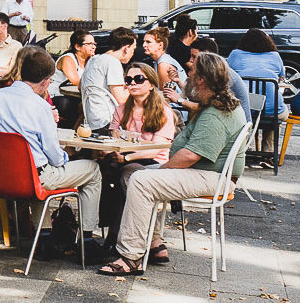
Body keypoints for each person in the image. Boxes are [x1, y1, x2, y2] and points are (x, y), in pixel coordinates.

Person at [100, 52, 246, 276]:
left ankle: (131, 257)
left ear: (201, 80)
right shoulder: (215, 104)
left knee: (140, 180)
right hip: (203, 173)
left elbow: (189, 156)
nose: (187, 76)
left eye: (191, 72)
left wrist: (161, 171)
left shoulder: (216, 114)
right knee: (131, 174)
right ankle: (152, 240)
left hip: (213, 179)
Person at [0, 47, 103, 248]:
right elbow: (53, 156)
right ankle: (86, 238)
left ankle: (44, 237)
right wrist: (67, 157)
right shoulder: (39, 105)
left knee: (38, 166)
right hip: (30, 179)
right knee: (91, 170)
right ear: (45, 81)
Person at [97, 62, 178, 240]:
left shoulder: (163, 111)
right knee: (96, 171)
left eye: (138, 79)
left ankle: (138, 237)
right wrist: (107, 152)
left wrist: (125, 159)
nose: (132, 83)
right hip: (124, 158)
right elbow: (113, 139)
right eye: (128, 80)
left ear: (151, 84)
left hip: (155, 163)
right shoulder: (121, 109)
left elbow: (155, 151)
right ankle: (103, 231)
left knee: (128, 174)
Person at [167, 37, 249, 116]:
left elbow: (207, 108)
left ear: (206, 56)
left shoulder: (222, 74)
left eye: (194, 56)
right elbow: (197, 97)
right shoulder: (215, 71)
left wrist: (180, 100)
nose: (191, 60)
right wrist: (178, 81)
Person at [81, 27, 135, 133]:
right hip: (107, 120)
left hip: (90, 118)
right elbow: (122, 99)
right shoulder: (113, 62)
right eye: (133, 49)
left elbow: (80, 87)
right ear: (126, 48)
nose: (133, 53)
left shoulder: (93, 59)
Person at [226, 28, 287, 118]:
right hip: (271, 110)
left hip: (243, 108)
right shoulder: (275, 55)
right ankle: (270, 130)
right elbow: (281, 77)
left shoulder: (235, 54)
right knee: (281, 112)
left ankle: (252, 131)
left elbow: (228, 75)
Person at [50, 30, 96, 127]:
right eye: (89, 44)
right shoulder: (68, 58)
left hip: (77, 96)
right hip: (58, 95)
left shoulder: (91, 60)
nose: (93, 47)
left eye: (94, 43)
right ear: (77, 46)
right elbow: (75, 81)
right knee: (77, 107)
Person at [144, 28, 186, 93]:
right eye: (144, 41)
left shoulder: (163, 64)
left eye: (148, 42)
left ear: (160, 45)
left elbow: (164, 94)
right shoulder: (160, 60)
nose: (144, 45)